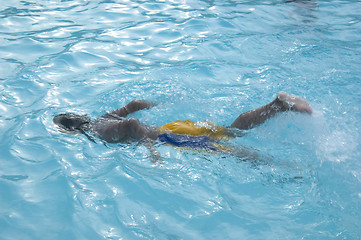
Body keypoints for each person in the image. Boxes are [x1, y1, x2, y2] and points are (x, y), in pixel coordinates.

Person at [53, 92, 312, 162]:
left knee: (228, 151)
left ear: (71, 130)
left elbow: (131, 124)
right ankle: (277, 105)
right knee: (231, 131)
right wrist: (160, 103)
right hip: (174, 126)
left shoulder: (97, 131)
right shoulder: (102, 117)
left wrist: (150, 149)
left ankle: (287, 169)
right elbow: (132, 106)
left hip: (171, 136)